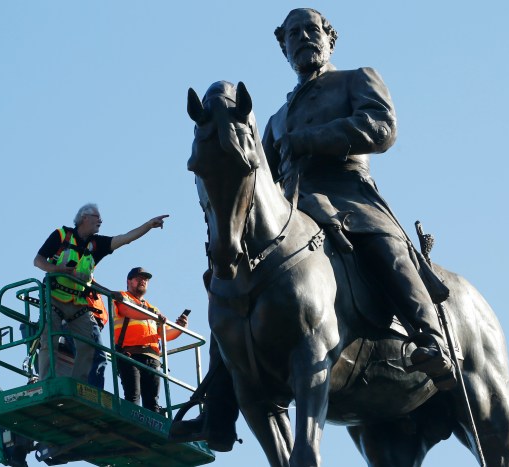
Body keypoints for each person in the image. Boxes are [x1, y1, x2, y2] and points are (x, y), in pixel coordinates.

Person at [171, 7, 456, 449]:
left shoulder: (356, 79)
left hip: (350, 196)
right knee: (229, 296)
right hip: (291, 211)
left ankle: (431, 340)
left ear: (329, 38)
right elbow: (256, 178)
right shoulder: (275, 118)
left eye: (311, 30)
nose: (303, 38)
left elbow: (382, 127)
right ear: (283, 47)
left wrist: (310, 139)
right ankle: (218, 409)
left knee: (385, 249)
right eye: (293, 34)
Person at [34, 203, 168, 382]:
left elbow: (125, 238)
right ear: (84, 218)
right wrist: (57, 269)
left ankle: (79, 385)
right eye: (97, 217)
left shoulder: (97, 245)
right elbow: (38, 260)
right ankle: (46, 382)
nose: (101, 221)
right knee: (49, 342)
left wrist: (148, 225)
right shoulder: (61, 235)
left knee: (90, 345)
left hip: (78, 303)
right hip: (54, 299)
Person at [112, 267, 188, 413]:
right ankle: (132, 422)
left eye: (145, 279)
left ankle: (153, 424)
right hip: (129, 354)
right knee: (133, 397)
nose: (143, 281)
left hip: (152, 358)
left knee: (152, 402)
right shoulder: (122, 297)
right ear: (129, 281)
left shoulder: (152, 308)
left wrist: (180, 328)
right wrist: (152, 315)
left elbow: (165, 335)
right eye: (139, 278)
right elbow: (127, 310)